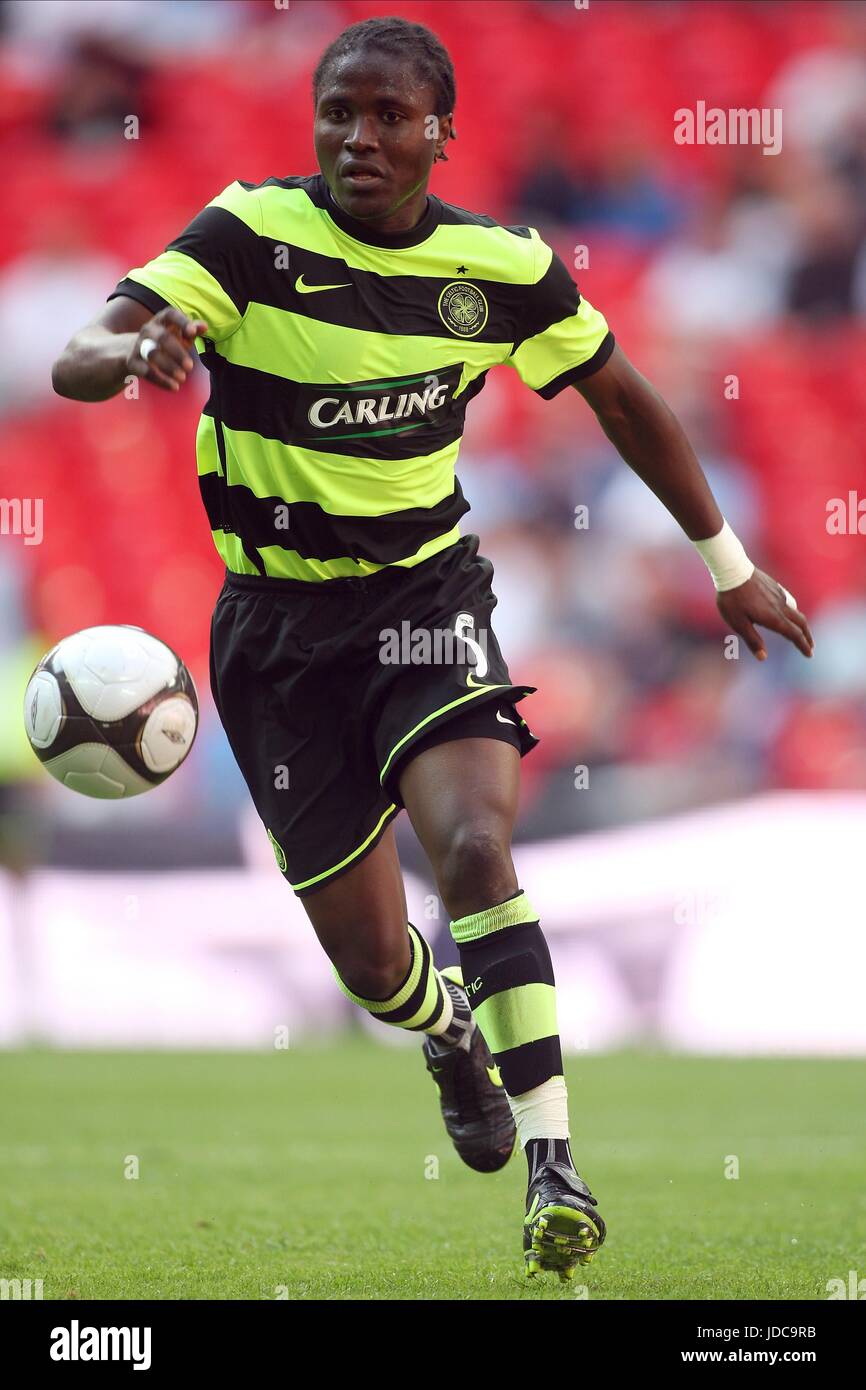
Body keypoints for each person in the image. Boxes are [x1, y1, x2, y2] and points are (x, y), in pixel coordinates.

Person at [51, 16, 813, 1283]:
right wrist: (134, 349)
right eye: (337, 112)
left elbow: (621, 397)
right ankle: (444, 1027)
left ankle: (553, 1164)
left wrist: (726, 563)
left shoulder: (501, 267)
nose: (358, 136)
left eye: (387, 115)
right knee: (369, 963)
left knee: (472, 845)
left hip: (423, 603)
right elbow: (85, 350)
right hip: (276, 632)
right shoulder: (246, 235)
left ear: (438, 133)